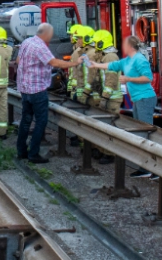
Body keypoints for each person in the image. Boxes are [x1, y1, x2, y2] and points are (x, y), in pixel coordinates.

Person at [15, 23, 82, 163]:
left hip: (24, 89)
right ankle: (34, 154)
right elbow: (55, 63)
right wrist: (75, 63)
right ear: (46, 34)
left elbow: (18, 60)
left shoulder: (27, 42)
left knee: (26, 120)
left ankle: (21, 151)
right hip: (37, 90)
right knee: (41, 121)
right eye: (50, 34)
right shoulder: (40, 47)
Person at [86, 35, 157, 124]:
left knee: (145, 127)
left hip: (145, 98)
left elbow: (148, 78)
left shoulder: (139, 59)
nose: (123, 46)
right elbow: (112, 65)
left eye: (125, 45)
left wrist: (128, 78)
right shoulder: (127, 60)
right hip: (137, 98)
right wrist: (96, 65)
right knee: (139, 126)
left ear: (130, 47)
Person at [94, 31, 123, 114]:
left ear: (101, 43)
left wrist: (104, 98)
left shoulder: (110, 57)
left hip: (112, 99)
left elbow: (111, 79)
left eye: (96, 42)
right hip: (110, 98)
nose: (95, 44)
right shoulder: (106, 56)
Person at [73, 27, 99, 105]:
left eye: (80, 38)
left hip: (90, 97)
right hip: (85, 94)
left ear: (87, 39)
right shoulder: (85, 53)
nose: (78, 40)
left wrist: (85, 94)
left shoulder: (91, 54)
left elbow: (92, 76)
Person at [65, 26, 91, 98]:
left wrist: (73, 89)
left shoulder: (78, 52)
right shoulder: (76, 50)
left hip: (79, 89)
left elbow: (76, 72)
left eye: (71, 35)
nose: (70, 37)